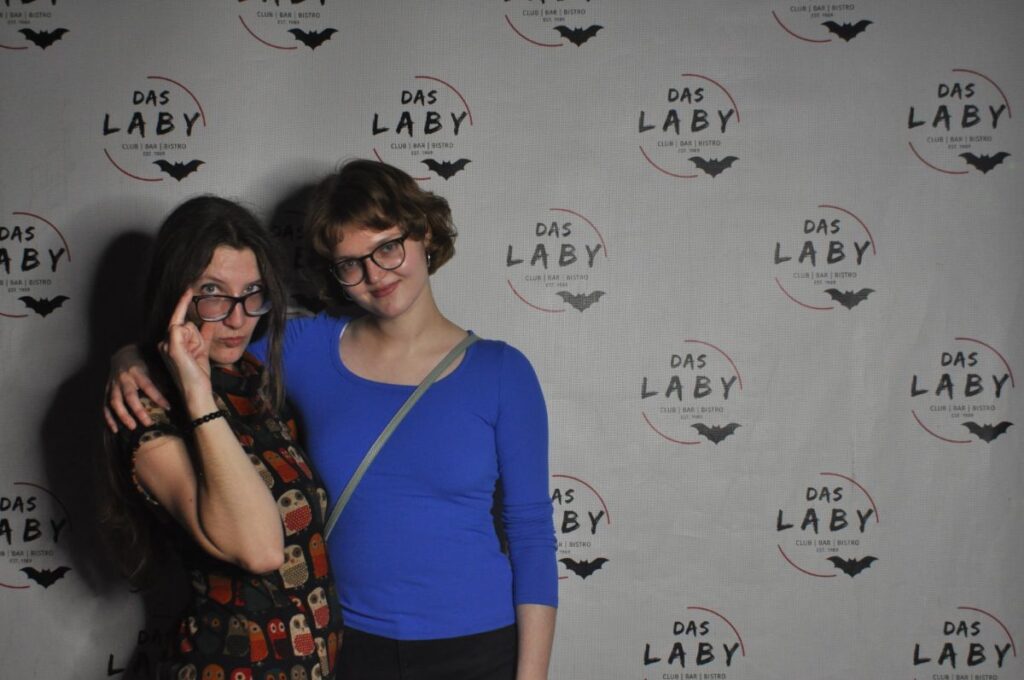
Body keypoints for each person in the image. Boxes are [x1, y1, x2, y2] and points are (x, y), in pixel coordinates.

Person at [107, 161, 558, 680]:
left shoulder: (502, 372)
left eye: (387, 247)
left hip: (476, 647)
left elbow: (531, 534)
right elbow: (196, 346)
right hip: (346, 645)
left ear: (426, 234)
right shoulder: (306, 347)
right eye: (350, 263)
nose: (376, 275)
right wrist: (129, 358)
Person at [101, 196, 341, 680]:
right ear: (176, 294)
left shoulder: (254, 379)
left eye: (253, 292)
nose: (238, 318)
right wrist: (195, 392)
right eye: (212, 292)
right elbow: (261, 551)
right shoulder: (148, 410)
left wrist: (127, 353)